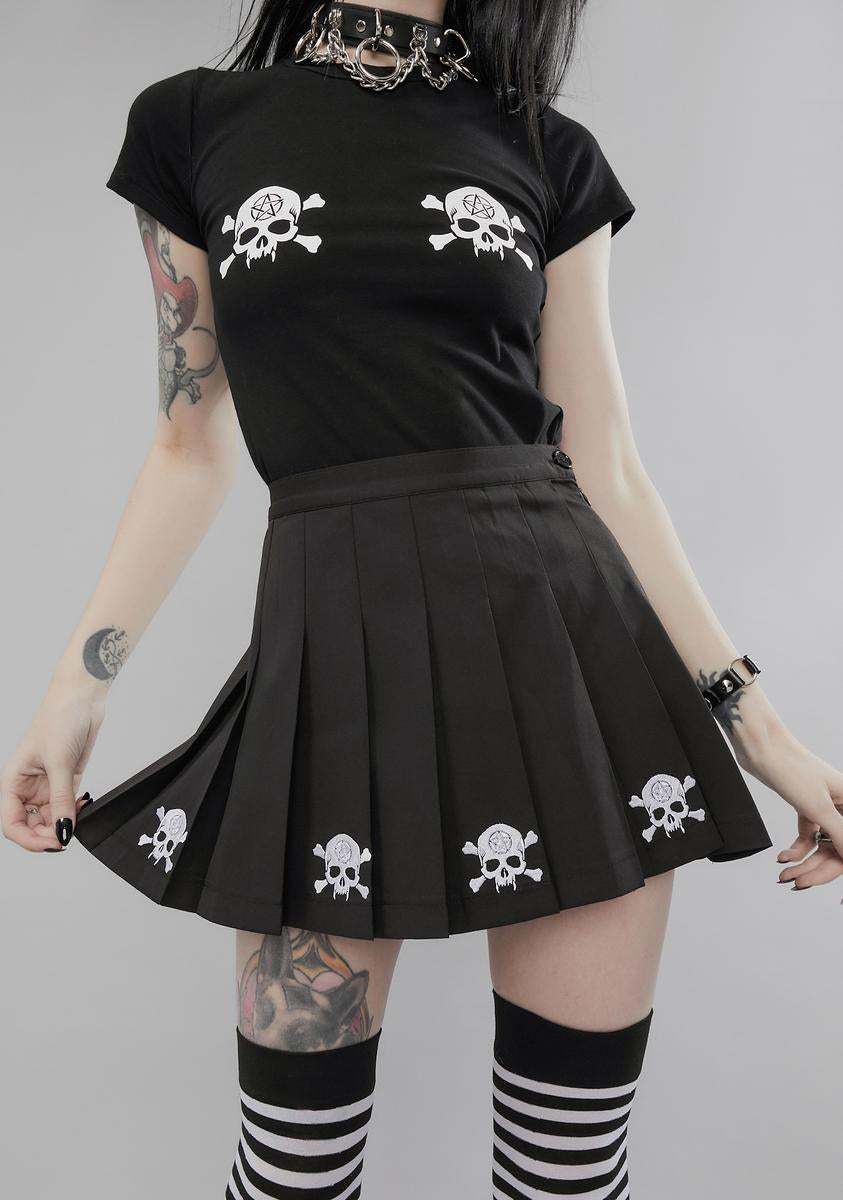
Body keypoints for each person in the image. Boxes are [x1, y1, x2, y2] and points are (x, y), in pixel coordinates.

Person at [3, 2, 842, 1197]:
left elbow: (604, 461)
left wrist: (761, 731)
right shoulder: (195, 126)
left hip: (569, 663)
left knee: (566, 1176)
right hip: (332, 669)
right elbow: (188, 446)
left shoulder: (546, 149)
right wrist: (72, 695)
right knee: (290, 1172)